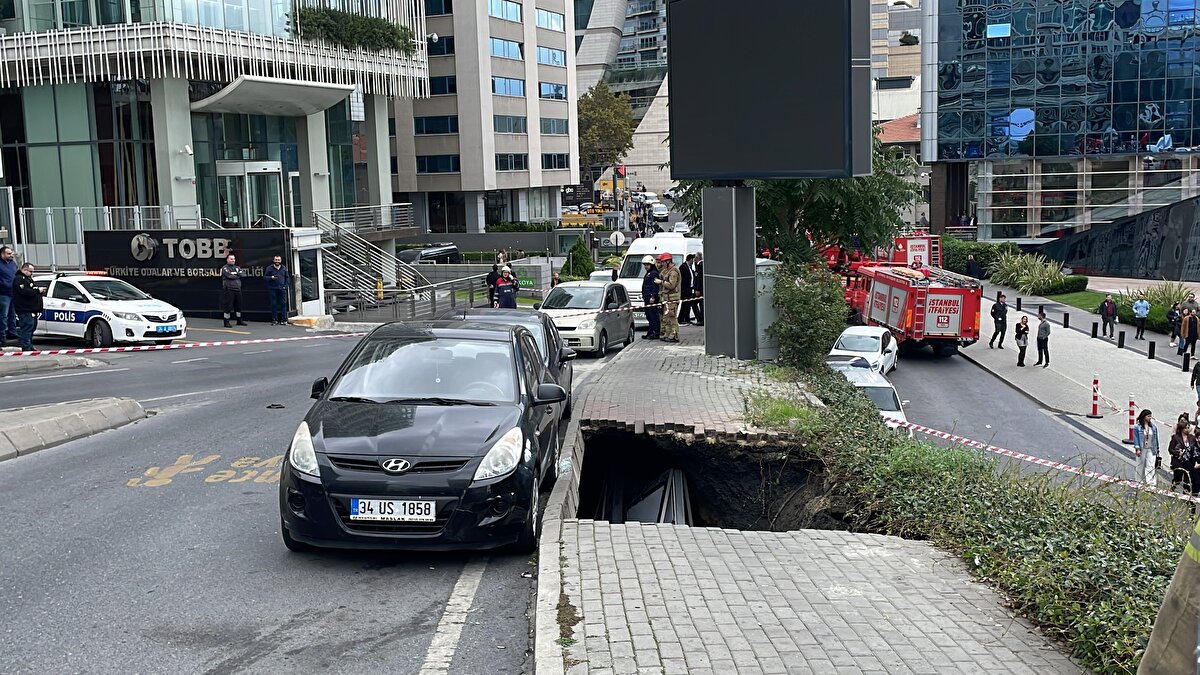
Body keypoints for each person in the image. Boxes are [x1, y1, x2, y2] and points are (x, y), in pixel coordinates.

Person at [12, 262, 42, 352]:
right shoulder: (19, 279)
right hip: (24, 309)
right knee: (26, 328)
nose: (32, 273)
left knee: (32, 328)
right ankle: (26, 347)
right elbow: (25, 291)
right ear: (24, 270)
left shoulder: (28, 279)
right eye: (30, 271)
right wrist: (37, 291)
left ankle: (30, 345)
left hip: (32, 309)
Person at [655, 252, 680, 343]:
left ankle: (674, 335)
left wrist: (661, 282)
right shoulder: (667, 270)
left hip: (672, 298)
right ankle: (669, 333)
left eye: (664, 262)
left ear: (668, 261)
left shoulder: (673, 272)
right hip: (667, 298)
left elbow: (671, 285)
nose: (662, 264)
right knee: (668, 317)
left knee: (672, 317)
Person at [1133, 409, 1160, 487]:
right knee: (1140, 464)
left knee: (1150, 465)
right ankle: (1138, 480)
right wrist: (1137, 448)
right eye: (1148, 416)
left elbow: (1156, 439)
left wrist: (1157, 448)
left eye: (1150, 416)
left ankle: (1151, 482)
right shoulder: (1137, 427)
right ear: (1144, 417)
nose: (1150, 418)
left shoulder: (1153, 427)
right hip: (1142, 448)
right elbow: (1136, 438)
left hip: (1151, 448)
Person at [220, 254, 247, 328]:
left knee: (238, 306)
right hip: (229, 289)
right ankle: (226, 321)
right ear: (227, 260)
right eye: (231, 259)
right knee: (228, 306)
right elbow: (229, 275)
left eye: (234, 259)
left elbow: (243, 274)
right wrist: (237, 274)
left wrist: (236, 274)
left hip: (238, 289)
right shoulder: (225, 268)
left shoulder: (237, 267)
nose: (233, 260)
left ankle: (239, 320)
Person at [264, 254, 290, 325]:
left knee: (283, 304)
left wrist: (285, 286)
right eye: (276, 260)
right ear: (273, 260)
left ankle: (284, 320)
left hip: (282, 289)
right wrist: (271, 278)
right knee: (273, 304)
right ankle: (274, 320)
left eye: (278, 260)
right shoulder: (269, 268)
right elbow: (265, 277)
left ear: (281, 260)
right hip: (273, 289)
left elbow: (287, 278)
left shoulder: (284, 268)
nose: (277, 261)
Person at [0, 245, 17, 346]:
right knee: (3, 316)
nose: (11, 255)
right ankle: (2, 335)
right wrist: (3, 283)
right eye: (8, 253)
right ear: (2, 254)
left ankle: (12, 332)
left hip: (13, 292)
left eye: (11, 253)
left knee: (12, 315)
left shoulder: (12, 263)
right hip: (3, 293)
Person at [641, 255, 660, 340]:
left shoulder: (653, 273)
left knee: (653, 316)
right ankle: (650, 332)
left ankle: (656, 333)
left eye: (647, 265)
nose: (645, 266)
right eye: (645, 265)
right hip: (647, 297)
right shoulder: (648, 273)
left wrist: (653, 296)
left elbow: (655, 286)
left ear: (651, 264)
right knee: (649, 316)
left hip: (651, 298)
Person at [679, 253, 695, 325]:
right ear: (690, 259)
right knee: (684, 304)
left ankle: (687, 318)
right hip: (685, 289)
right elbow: (682, 279)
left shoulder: (689, 267)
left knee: (688, 304)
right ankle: (681, 318)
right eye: (692, 260)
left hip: (690, 288)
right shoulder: (683, 267)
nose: (693, 262)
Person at [692, 253, 704, 326]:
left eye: (695, 258)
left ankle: (700, 319)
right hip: (699, 289)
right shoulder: (698, 265)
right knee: (700, 304)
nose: (694, 259)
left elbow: (699, 278)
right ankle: (701, 319)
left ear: (697, 258)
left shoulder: (700, 266)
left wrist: (697, 289)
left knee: (696, 303)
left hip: (699, 290)